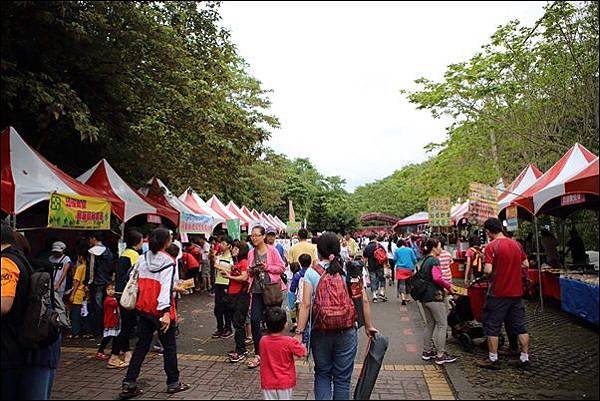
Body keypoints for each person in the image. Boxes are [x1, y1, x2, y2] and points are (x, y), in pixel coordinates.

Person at [295, 232, 378, 400]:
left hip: (320, 331)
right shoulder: (350, 269)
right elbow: (363, 300)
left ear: (318, 251)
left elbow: (305, 305)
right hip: (347, 331)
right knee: (342, 379)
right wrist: (368, 326)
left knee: (323, 374)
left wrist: (299, 333)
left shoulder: (312, 272)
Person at [120, 228, 189, 398]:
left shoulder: (142, 259)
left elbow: (132, 277)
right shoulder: (168, 261)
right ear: (166, 242)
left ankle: (129, 382)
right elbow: (164, 287)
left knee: (142, 346)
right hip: (161, 310)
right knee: (169, 347)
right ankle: (173, 383)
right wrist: (165, 312)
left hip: (144, 308)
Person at [476, 218, 531, 371]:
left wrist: (494, 274)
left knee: (492, 326)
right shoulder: (516, 244)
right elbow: (526, 264)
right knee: (520, 327)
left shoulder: (491, 246)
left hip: (498, 293)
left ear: (488, 231)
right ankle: (524, 358)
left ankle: (493, 359)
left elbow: (487, 270)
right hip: (517, 293)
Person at [247, 226, 286, 369]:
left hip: (271, 291)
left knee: (273, 322)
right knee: (255, 319)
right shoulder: (251, 252)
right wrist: (252, 270)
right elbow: (249, 271)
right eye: (252, 236)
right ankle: (258, 354)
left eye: (256, 235)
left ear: (263, 237)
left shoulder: (273, 251)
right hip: (257, 291)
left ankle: (275, 353)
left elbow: (281, 267)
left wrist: (267, 267)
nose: (254, 238)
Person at [417, 238, 457, 366]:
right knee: (442, 325)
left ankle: (427, 351)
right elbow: (437, 277)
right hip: (435, 297)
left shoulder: (424, 260)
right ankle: (440, 354)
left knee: (430, 324)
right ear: (434, 247)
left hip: (424, 297)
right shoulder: (434, 260)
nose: (441, 249)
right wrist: (448, 286)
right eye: (440, 246)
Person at [259, 307, 307, 400]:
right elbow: (303, 352)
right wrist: (303, 345)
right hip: (285, 382)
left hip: (268, 382)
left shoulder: (263, 341)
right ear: (285, 325)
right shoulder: (289, 341)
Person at [115, 230, 143, 365]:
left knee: (126, 324)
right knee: (127, 326)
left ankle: (126, 352)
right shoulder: (134, 255)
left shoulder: (123, 253)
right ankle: (115, 355)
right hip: (128, 295)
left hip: (119, 292)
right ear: (137, 242)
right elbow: (136, 276)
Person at [224, 241, 251, 363]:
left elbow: (244, 277)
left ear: (241, 250)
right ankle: (240, 348)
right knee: (237, 323)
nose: (233, 250)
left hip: (241, 296)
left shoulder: (244, 262)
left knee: (238, 324)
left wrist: (230, 277)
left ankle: (240, 351)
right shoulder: (237, 262)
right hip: (234, 296)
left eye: (235, 248)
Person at [87, 231, 115, 337]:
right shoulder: (108, 251)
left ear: (94, 239)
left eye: (90, 239)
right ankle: (107, 328)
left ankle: (97, 330)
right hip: (106, 282)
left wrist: (89, 282)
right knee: (107, 306)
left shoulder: (93, 251)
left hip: (97, 283)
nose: (89, 241)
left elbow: (91, 269)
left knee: (97, 307)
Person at [96, 282, 127, 368]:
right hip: (110, 322)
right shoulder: (109, 300)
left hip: (114, 321)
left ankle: (115, 350)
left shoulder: (112, 298)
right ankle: (100, 351)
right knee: (108, 337)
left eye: (112, 289)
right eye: (108, 289)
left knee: (114, 337)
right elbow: (117, 304)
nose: (111, 291)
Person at [213, 236, 234, 339]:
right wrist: (224, 268)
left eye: (223, 243)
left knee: (226, 308)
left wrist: (221, 267)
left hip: (227, 283)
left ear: (229, 246)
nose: (221, 245)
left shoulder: (231, 257)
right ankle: (219, 328)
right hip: (218, 283)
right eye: (220, 243)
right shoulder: (219, 255)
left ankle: (228, 328)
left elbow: (232, 270)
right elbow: (215, 265)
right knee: (217, 308)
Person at [68, 243, 90, 339]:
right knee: (84, 315)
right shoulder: (88, 267)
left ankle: (75, 332)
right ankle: (85, 332)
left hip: (78, 293)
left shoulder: (80, 268)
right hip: (85, 294)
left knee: (75, 315)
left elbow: (76, 282)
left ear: (80, 257)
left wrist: (72, 295)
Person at [393, 239, 417, 305]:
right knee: (408, 283)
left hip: (400, 269)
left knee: (401, 283)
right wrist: (414, 266)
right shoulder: (410, 250)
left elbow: (394, 259)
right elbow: (414, 259)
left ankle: (403, 297)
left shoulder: (397, 250)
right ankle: (408, 297)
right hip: (409, 269)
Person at [363, 234, 387, 303]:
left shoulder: (367, 247)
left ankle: (374, 296)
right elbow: (384, 255)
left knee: (373, 280)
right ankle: (382, 292)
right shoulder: (379, 245)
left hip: (371, 266)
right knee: (382, 278)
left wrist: (364, 266)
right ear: (375, 238)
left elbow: (365, 258)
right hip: (380, 265)